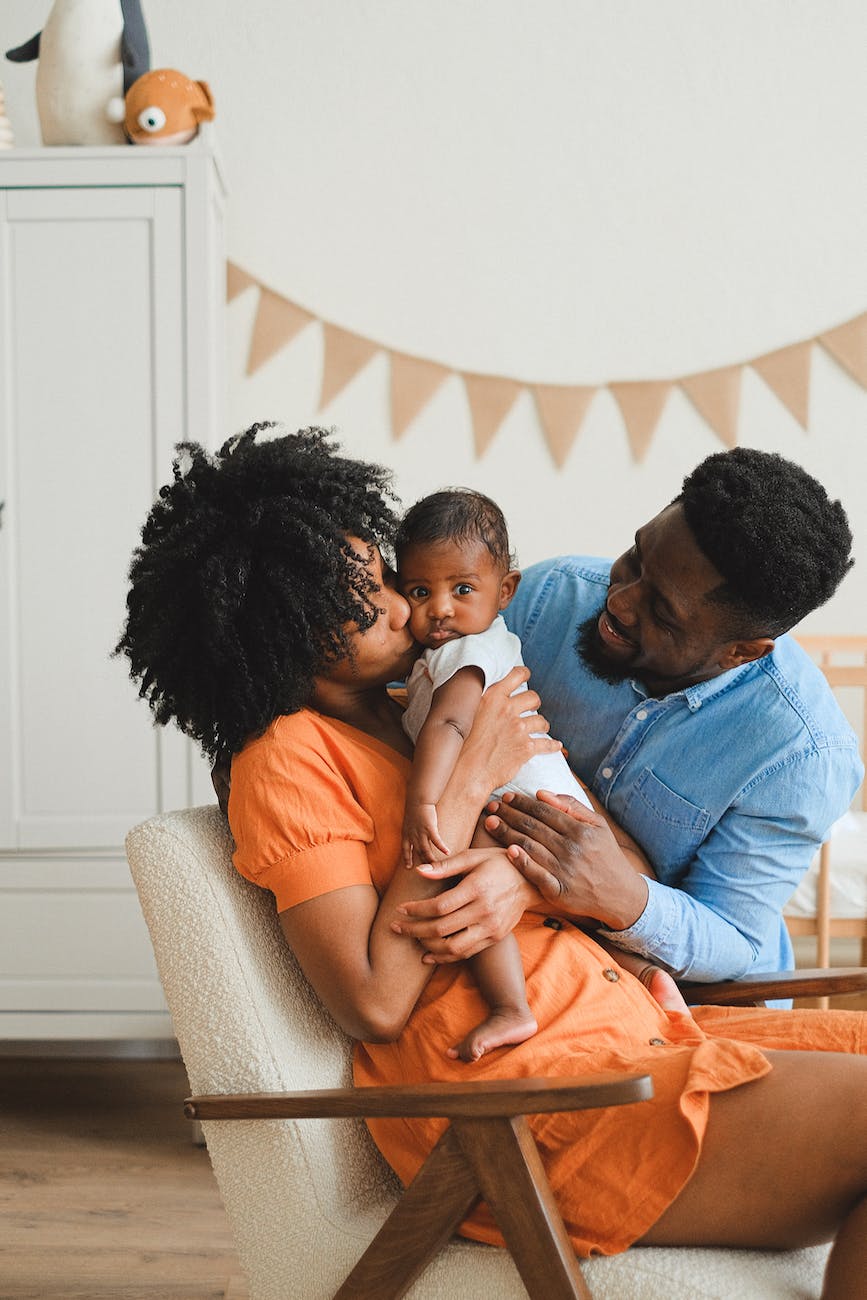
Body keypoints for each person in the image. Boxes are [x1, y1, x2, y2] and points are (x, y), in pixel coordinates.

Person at [117, 424, 867, 1293]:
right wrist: (469, 780)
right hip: (530, 1101)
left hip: (635, 1030)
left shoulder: (411, 708)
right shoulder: (288, 756)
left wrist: (539, 866)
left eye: (391, 583)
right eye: (374, 606)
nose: (414, 609)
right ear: (287, 642)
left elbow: (592, 844)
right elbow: (371, 1003)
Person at [397, 449, 862, 1001]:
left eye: (662, 613)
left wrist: (617, 896)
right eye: (636, 558)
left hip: (692, 996)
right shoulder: (549, 599)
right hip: (539, 960)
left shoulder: (802, 752)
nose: (617, 601)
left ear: (742, 652)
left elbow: (736, 937)